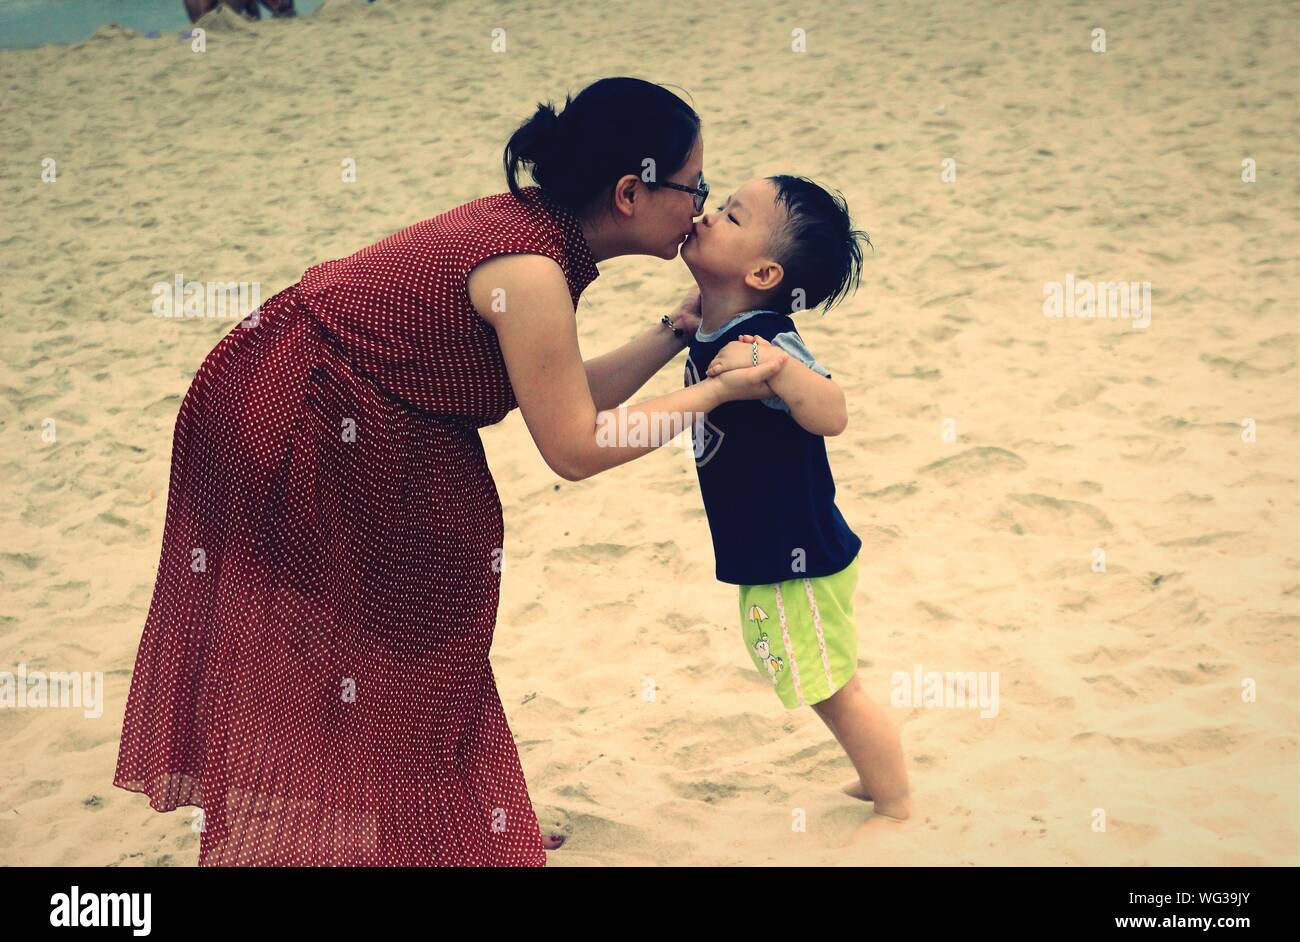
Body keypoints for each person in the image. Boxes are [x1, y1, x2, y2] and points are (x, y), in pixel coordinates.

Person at [112, 76, 788, 866]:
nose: (702, 205)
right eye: (695, 184)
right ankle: (439, 825)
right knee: (410, 626)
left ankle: (454, 815)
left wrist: (677, 332)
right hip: (294, 400)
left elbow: (560, 396)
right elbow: (572, 447)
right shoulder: (532, 270)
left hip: (352, 398)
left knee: (422, 618)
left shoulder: (542, 242)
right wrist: (716, 392)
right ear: (632, 193)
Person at [680, 174, 912, 820]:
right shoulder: (711, 321)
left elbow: (833, 410)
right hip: (775, 547)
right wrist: (684, 324)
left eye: (730, 216)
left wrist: (776, 368)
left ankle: (895, 801)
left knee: (830, 687)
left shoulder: (767, 339)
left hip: (795, 552)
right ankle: (875, 775)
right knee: (829, 673)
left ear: (761, 273)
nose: (707, 216)